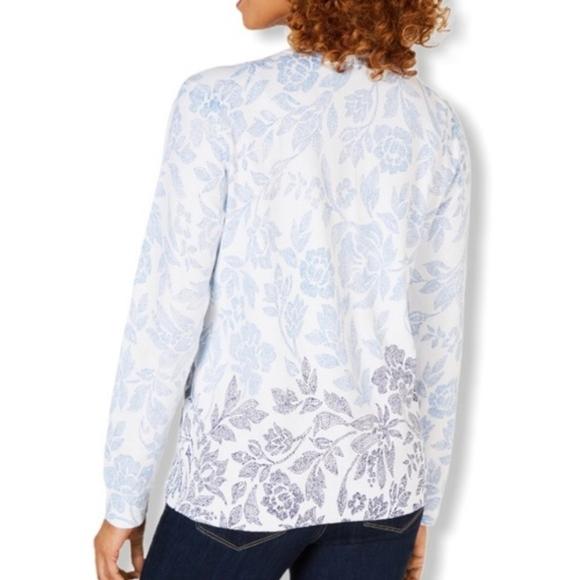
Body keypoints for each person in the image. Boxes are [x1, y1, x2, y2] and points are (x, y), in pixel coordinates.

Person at [93, 0, 472, 578]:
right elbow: (437, 327)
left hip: (244, 479)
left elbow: (168, 310)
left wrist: (125, 494)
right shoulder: (436, 124)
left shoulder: (218, 103)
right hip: (384, 484)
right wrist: (426, 505)